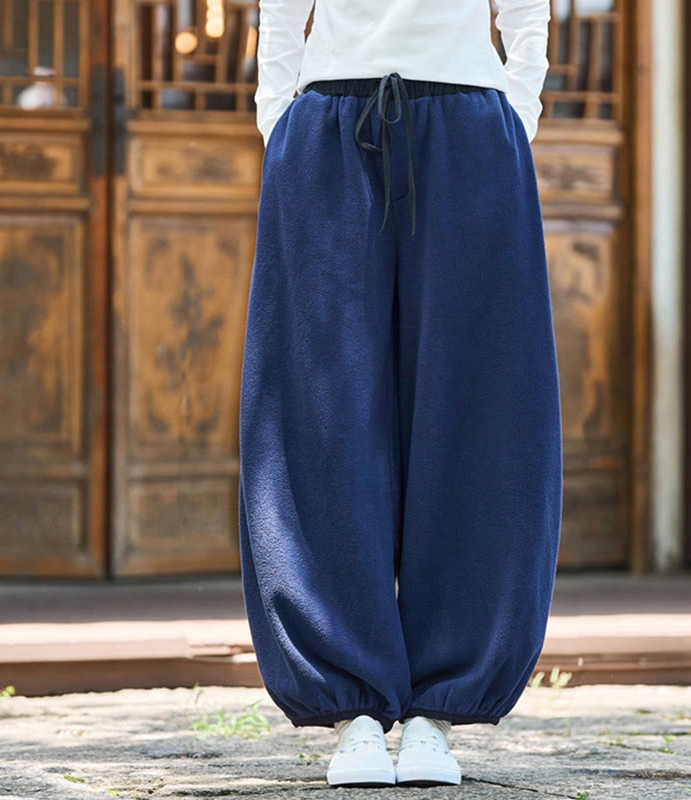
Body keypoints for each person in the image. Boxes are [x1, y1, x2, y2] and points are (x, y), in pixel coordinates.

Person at [238, 0, 561, 787]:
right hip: (327, 129)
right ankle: (349, 709)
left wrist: (514, 117)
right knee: (319, 414)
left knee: (480, 411)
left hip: (470, 129)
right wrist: (280, 119)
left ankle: (435, 714)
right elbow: (280, 14)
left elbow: (526, 13)